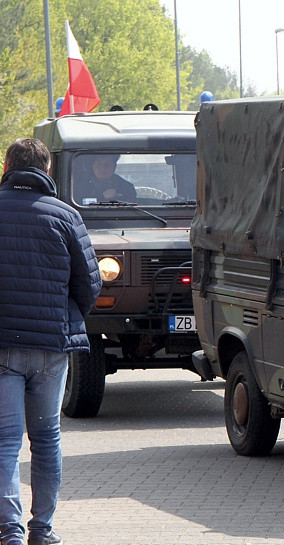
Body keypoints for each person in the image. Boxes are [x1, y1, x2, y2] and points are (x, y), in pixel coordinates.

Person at [0, 139, 102, 545]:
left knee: (5, 440)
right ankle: (43, 530)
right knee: (46, 439)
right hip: (51, 348)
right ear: (46, 170)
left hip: (2, 346)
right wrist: (64, 315)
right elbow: (90, 283)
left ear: (7, 166)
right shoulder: (66, 216)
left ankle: (9, 532)